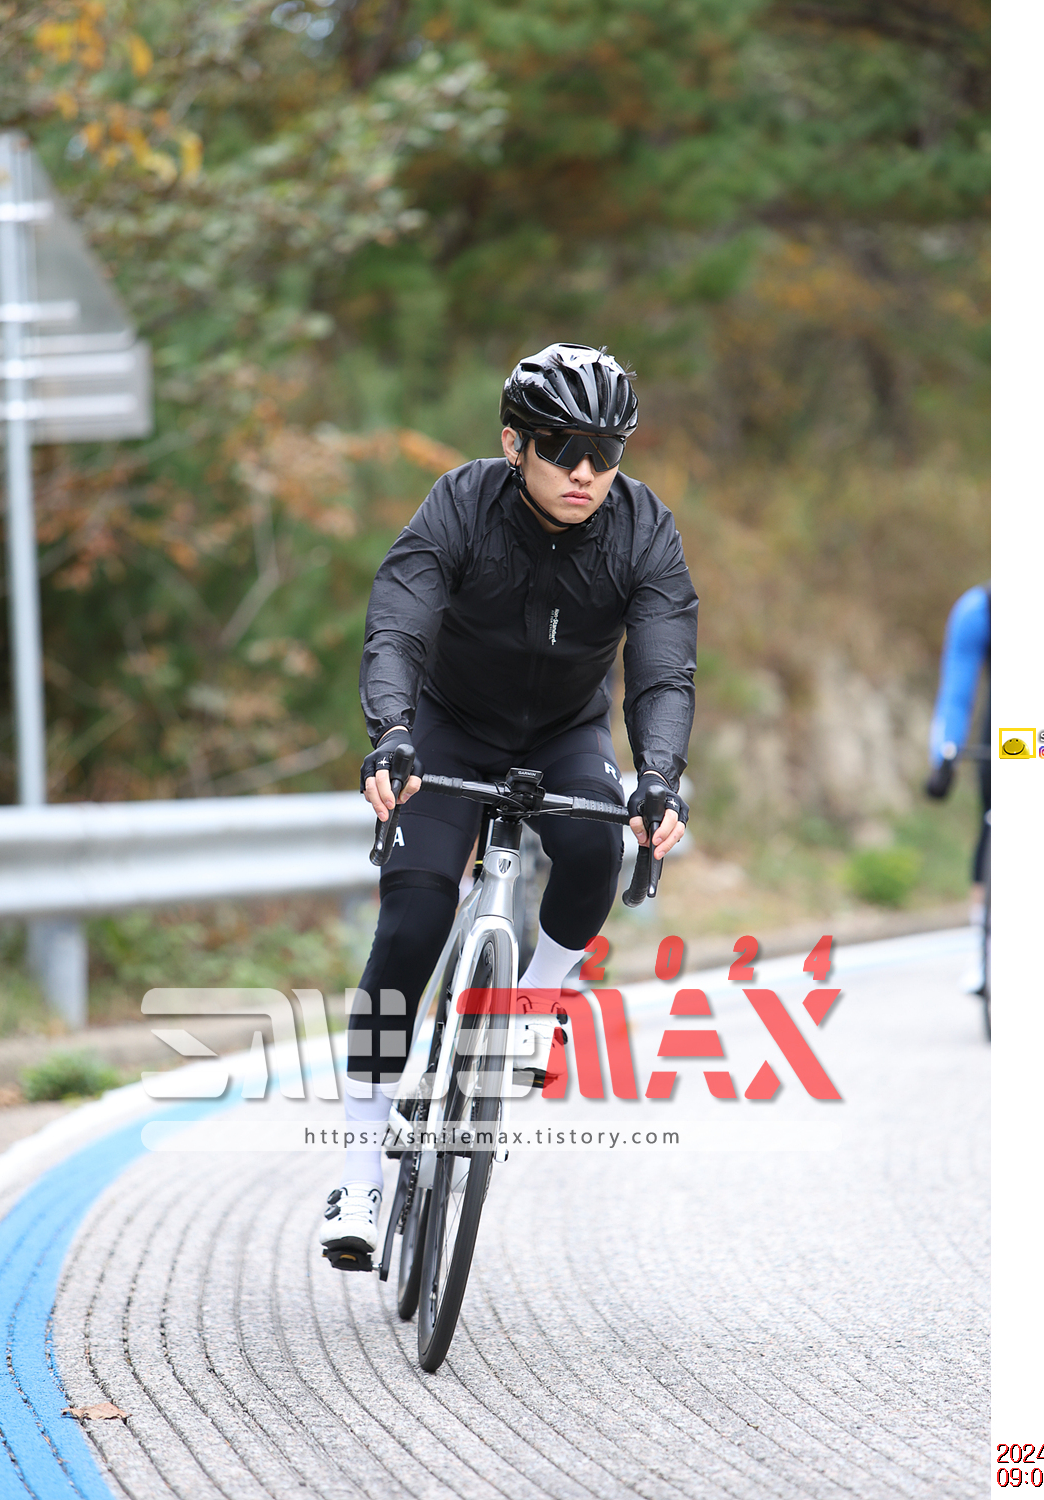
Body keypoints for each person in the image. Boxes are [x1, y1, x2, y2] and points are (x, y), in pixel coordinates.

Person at [320, 343, 698, 1264]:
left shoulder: (643, 527)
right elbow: (399, 623)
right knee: (411, 924)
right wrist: (392, 729)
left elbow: (661, 667)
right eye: (563, 448)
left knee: (595, 848)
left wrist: (657, 774)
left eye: (606, 452)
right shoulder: (461, 503)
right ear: (513, 444)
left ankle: (539, 997)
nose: (585, 472)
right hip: (447, 729)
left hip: (566, 732)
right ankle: (359, 1176)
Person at [924, 582, 990, 994]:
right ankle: (984, 949)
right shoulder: (981, 608)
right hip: (1013, 736)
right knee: (992, 819)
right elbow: (956, 693)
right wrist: (944, 756)